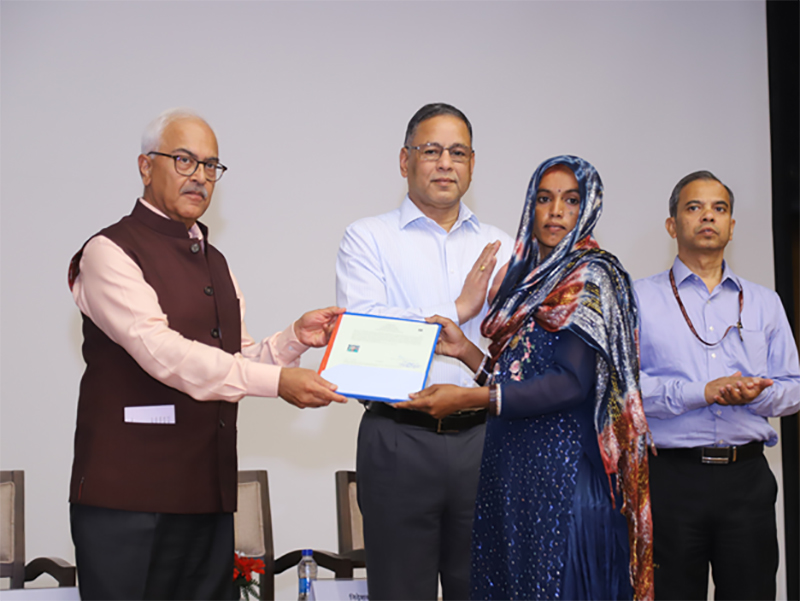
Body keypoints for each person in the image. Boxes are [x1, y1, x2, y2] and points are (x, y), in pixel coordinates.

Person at [67, 108, 347, 600]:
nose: (199, 175)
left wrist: (294, 339)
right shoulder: (109, 251)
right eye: (184, 160)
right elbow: (164, 355)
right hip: (127, 499)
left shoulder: (215, 260)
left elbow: (236, 360)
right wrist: (278, 384)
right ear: (145, 166)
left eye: (211, 165)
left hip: (206, 496)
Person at [398, 155, 653, 600]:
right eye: (544, 198)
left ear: (589, 208)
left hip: (565, 479)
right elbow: (519, 376)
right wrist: (467, 353)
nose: (555, 211)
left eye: (570, 200)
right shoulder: (530, 280)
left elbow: (570, 383)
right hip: (513, 474)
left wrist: (468, 399)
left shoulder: (591, 275)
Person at [335, 103, 513, 600]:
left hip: (485, 441)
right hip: (398, 438)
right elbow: (364, 340)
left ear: (472, 164)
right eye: (431, 151)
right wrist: (459, 308)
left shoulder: (503, 247)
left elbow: (517, 359)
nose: (445, 163)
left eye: (458, 152)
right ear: (404, 160)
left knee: (484, 591)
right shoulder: (368, 238)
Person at [635, 170, 800, 600]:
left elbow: (794, 388)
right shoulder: (638, 299)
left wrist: (758, 394)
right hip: (671, 479)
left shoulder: (765, 302)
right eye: (694, 207)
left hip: (746, 480)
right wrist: (702, 392)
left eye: (719, 209)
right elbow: (625, 391)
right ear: (672, 225)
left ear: (731, 226)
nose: (708, 216)